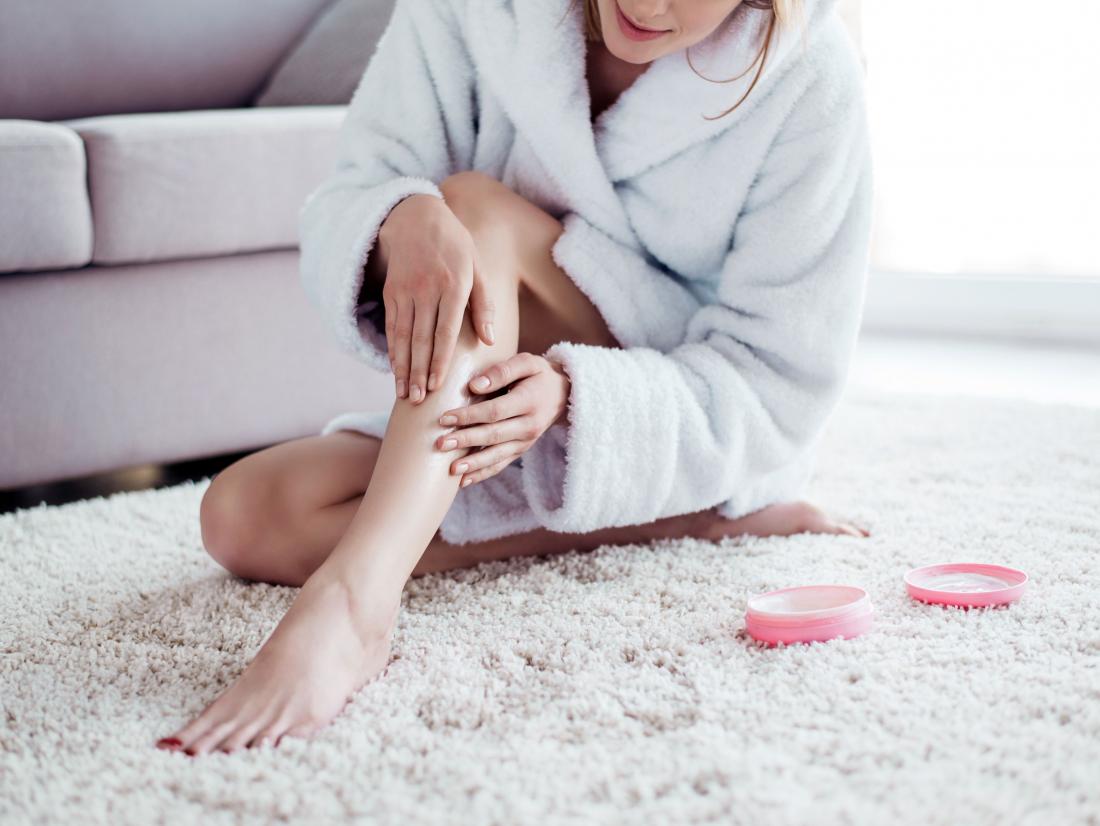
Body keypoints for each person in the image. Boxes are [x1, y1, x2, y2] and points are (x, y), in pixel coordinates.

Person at [155, 0, 873, 756]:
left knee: (476, 208)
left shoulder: (809, 77)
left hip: (674, 418)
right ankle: (673, 518)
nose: (645, 4)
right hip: (493, 400)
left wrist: (578, 398)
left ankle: (357, 602)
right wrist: (397, 217)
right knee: (245, 516)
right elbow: (353, 191)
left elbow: (774, 379)